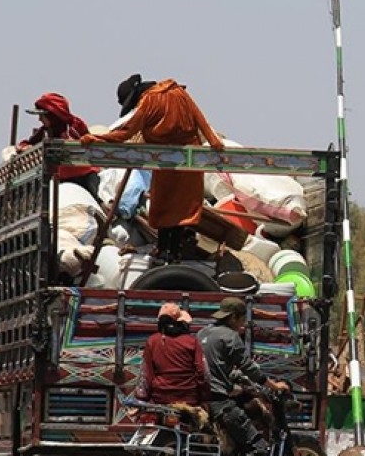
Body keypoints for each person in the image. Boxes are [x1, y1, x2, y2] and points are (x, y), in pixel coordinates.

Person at [81, 78, 226, 262]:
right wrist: (213, 141)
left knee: (164, 209)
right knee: (182, 209)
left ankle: (165, 250)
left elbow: (126, 132)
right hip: (188, 160)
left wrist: (96, 138)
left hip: (165, 160)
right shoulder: (179, 92)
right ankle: (174, 253)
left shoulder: (148, 101)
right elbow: (200, 119)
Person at [197, 297, 288, 456]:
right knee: (256, 445)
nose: (243, 324)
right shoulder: (231, 337)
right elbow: (249, 367)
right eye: (241, 319)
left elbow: (218, 368)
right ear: (234, 317)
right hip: (220, 401)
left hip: (202, 399)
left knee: (220, 448)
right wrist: (273, 385)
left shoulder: (202, 334)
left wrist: (237, 384)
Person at [18, 92, 102, 199]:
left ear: (52, 115)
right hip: (61, 178)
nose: (39, 119)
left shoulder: (75, 125)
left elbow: (88, 142)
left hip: (86, 175)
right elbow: (27, 143)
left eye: (42, 115)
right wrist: (25, 147)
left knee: (99, 199)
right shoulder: (45, 132)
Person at [136, 303, 208, 406]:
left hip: (160, 398)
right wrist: (204, 396)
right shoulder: (192, 341)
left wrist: (142, 397)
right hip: (189, 398)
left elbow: (146, 373)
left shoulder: (153, 341)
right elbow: (202, 371)